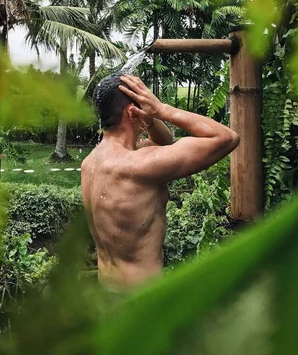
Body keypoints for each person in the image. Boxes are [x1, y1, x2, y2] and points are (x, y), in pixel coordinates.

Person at [81, 73, 240, 293]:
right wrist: (162, 109)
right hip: (140, 299)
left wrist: (149, 119)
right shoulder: (139, 166)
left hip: (107, 290)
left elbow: (165, 143)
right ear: (132, 112)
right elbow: (226, 138)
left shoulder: (91, 162)